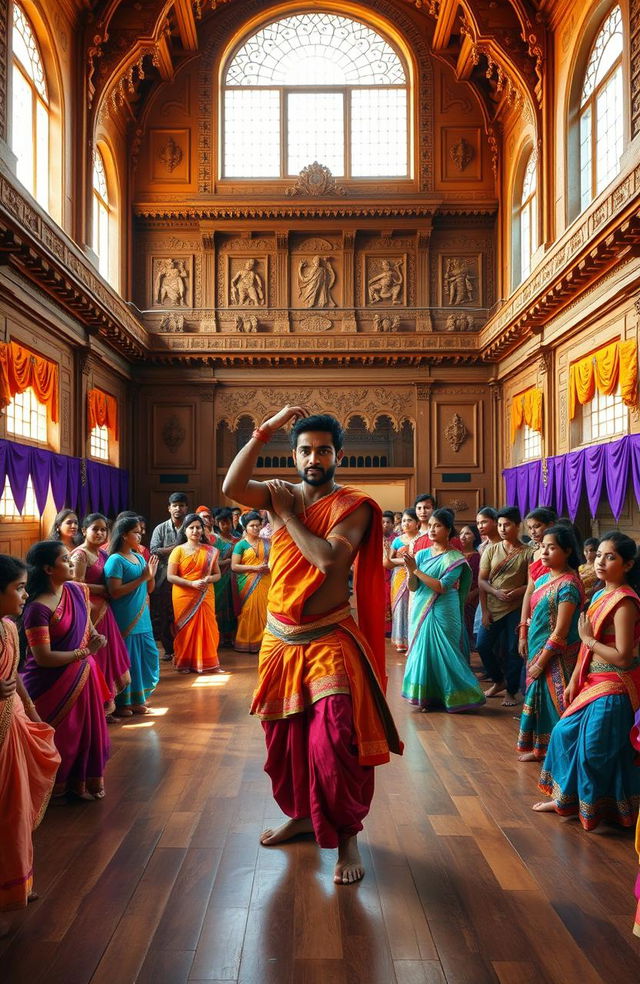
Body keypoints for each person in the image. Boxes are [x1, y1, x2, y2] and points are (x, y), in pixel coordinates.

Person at [222, 405, 402, 884]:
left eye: (323, 449)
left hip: (328, 637)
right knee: (286, 743)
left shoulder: (354, 505)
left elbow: (326, 560)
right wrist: (263, 431)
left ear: (338, 454)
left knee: (334, 741)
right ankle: (302, 816)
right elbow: (231, 489)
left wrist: (287, 517)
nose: (314, 457)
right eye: (305, 449)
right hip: (280, 640)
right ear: (294, 455)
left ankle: (346, 837)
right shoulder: (277, 494)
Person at [534, 532, 640, 829]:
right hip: (592, 681)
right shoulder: (600, 594)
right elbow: (586, 647)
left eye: (611, 557)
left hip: (615, 685)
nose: (600, 562)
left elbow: (623, 657)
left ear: (628, 564)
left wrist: (589, 641)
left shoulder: (625, 603)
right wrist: (573, 681)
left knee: (594, 751)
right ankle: (565, 799)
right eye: (599, 555)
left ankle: (597, 809)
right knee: (564, 734)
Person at [21, 541, 110, 799]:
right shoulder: (37, 608)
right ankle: (53, 788)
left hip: (84, 675)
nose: (71, 563)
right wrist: (85, 652)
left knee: (86, 733)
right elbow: (44, 658)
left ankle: (80, 784)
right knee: (64, 737)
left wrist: (95, 637)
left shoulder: (76, 590)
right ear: (49, 569)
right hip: (51, 683)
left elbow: (87, 628)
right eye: (64, 560)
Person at [0, 555, 60, 933]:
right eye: (18, 588)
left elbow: (17, 673)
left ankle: (15, 881)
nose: (24, 595)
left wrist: (33, 710)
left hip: (14, 718)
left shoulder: (8, 627)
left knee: (16, 807)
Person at [402, 509, 485, 712]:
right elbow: (413, 587)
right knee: (425, 652)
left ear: (448, 530)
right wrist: (409, 572)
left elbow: (441, 586)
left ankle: (458, 696)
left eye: (437, 525)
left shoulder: (454, 558)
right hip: (421, 606)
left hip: (444, 609)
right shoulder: (421, 554)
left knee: (445, 652)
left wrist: (416, 570)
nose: (431, 529)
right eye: (430, 526)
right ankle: (428, 697)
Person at [516, 526, 584, 762]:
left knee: (556, 704)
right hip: (537, 647)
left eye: (551, 547)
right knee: (540, 701)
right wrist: (523, 633)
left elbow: (561, 631)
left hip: (557, 656)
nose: (544, 552)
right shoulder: (544, 577)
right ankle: (541, 749)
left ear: (566, 551)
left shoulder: (569, 585)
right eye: (542, 546)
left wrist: (541, 661)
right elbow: (535, 614)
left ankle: (561, 753)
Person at [71, 513, 131, 718]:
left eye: (103, 529)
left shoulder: (104, 554)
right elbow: (75, 585)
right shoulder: (80, 554)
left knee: (107, 658)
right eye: (95, 529)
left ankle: (107, 706)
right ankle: (95, 709)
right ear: (83, 531)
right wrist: (103, 588)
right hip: (90, 612)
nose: (100, 533)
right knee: (97, 657)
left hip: (105, 609)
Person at [477, 506, 534, 706]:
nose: (502, 529)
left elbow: (532, 583)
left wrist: (518, 592)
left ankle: (511, 691)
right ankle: (498, 681)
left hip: (516, 609)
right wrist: (487, 605)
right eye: (499, 525)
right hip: (492, 606)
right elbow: (481, 581)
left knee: (514, 650)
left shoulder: (529, 552)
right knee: (482, 645)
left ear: (518, 526)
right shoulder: (491, 549)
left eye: (507, 525)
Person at [105, 517, 160, 715]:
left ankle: (138, 698)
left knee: (147, 656)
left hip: (142, 615)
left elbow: (149, 588)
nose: (140, 535)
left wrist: (150, 576)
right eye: (136, 532)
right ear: (124, 535)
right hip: (125, 614)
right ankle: (122, 702)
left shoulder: (139, 557)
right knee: (127, 657)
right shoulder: (115, 560)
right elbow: (115, 592)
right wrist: (143, 578)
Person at [167, 513, 222, 673]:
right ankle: (185, 662)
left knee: (209, 627)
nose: (195, 530)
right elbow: (171, 576)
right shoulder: (178, 550)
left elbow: (218, 575)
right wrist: (191, 583)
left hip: (205, 593)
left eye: (199, 527)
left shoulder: (211, 551)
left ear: (203, 530)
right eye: (191, 527)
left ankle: (208, 662)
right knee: (186, 629)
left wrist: (208, 578)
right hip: (184, 594)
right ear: (185, 530)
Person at [149, 492, 188, 661]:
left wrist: (172, 549)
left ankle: (186, 647)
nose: (178, 508)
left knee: (184, 612)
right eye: (175, 505)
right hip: (164, 577)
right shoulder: (160, 528)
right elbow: (154, 550)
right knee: (165, 614)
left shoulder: (190, 526)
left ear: (186, 508)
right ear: (169, 508)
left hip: (186, 575)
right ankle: (168, 649)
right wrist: (177, 548)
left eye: (181, 505)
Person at [231, 511, 271, 653]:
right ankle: (248, 642)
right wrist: (255, 568)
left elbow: (274, 561)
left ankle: (265, 644)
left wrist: (268, 567)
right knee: (248, 612)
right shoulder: (240, 545)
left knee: (266, 611)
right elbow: (234, 566)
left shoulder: (268, 543)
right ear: (245, 527)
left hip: (266, 581)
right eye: (252, 525)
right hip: (247, 583)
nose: (256, 528)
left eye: (258, 525)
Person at [384, 508, 420, 653]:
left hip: (416, 575)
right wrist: (404, 561)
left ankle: (414, 639)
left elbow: (419, 560)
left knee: (414, 606)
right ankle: (401, 641)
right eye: (404, 520)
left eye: (409, 520)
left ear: (417, 523)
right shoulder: (397, 540)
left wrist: (397, 560)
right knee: (400, 606)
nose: (405, 523)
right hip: (399, 576)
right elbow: (387, 562)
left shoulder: (422, 539)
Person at [211, 507, 238, 647]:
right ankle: (219, 638)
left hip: (235, 579)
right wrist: (227, 561)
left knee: (233, 606)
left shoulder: (238, 540)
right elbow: (212, 563)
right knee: (219, 606)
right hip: (219, 578)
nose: (225, 525)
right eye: (222, 523)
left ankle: (233, 637)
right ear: (217, 523)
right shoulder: (213, 541)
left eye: (227, 522)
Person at [458, 523, 481, 654]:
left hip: (471, 598)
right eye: (461, 533)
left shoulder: (477, 557)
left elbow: (480, 581)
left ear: (474, 537)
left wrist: (471, 595)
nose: (463, 536)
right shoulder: (456, 554)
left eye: (467, 533)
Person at [381, 511, 396, 637]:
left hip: (394, 571)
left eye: (388, 522)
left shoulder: (397, 538)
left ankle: (395, 628)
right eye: (383, 522)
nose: (385, 525)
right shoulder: (375, 539)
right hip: (380, 573)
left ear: (393, 524)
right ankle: (384, 627)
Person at [579, 536, 600, 602]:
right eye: (586, 551)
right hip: (579, 597)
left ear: (597, 551)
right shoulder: (580, 567)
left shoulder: (599, 567)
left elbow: (599, 586)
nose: (588, 553)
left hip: (594, 598)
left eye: (591, 550)